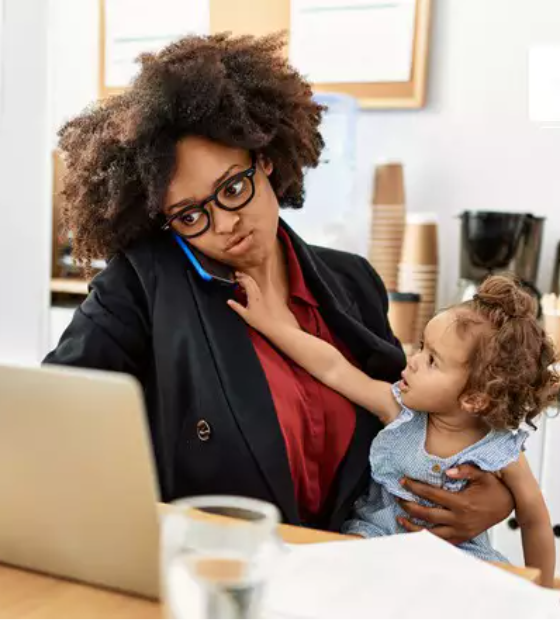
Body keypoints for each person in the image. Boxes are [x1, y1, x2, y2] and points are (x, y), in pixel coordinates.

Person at [46, 32, 513, 536]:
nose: (224, 224)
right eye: (189, 215)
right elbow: (49, 420)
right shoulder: (140, 287)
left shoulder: (353, 282)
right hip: (222, 580)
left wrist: (497, 495)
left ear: (263, 158)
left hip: (352, 573)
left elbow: (425, 419)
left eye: (232, 187)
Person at [229, 272, 558, 585]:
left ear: (474, 398)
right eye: (421, 346)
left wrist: (540, 591)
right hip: (375, 536)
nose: (413, 360)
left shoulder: (498, 450)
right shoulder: (398, 408)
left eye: (432, 360)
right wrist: (268, 324)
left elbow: (535, 519)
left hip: (456, 556)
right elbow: (333, 368)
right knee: (329, 573)